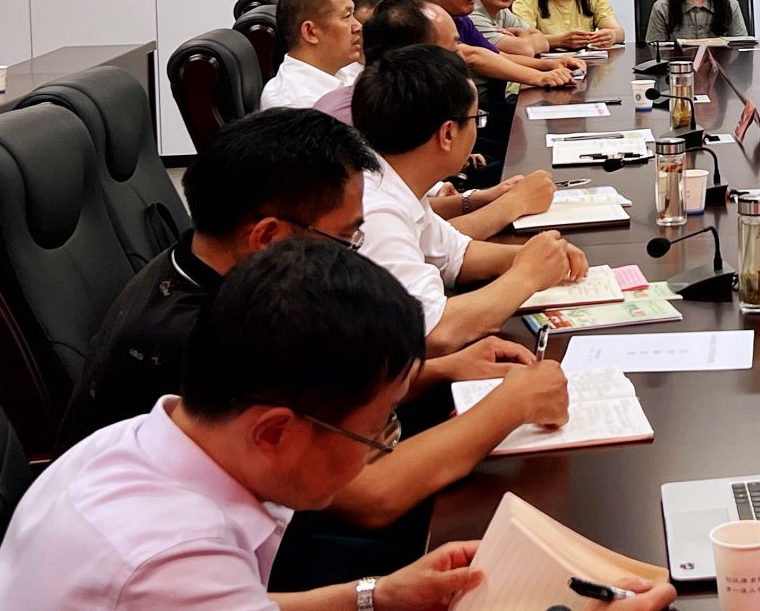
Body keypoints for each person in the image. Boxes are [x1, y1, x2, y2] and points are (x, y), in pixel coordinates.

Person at [0, 238, 677, 611]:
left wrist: (374, 595)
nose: (381, 449)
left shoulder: (136, 440)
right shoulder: (167, 559)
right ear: (275, 431)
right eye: (376, 434)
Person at [54, 110, 574, 560]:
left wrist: (441, 369)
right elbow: (373, 496)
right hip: (254, 554)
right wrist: (512, 406)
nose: (355, 252)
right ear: (269, 237)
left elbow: (325, 398)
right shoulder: (206, 340)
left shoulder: (209, 268)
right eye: (347, 238)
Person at [353, 44, 589, 356]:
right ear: (448, 134)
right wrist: (526, 276)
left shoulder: (395, 181)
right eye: (476, 119)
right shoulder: (375, 212)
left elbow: (456, 254)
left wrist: (534, 256)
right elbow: (434, 333)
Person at [313, 0, 547, 229]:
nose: (461, 59)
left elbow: (424, 222)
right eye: (451, 51)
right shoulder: (353, 124)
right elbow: (415, 237)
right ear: (414, 59)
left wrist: (478, 199)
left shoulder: (392, 101)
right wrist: (511, 204)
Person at [420, 0, 578, 88]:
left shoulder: (461, 19)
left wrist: (549, 65)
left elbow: (497, 55)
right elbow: (474, 57)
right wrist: (540, 77)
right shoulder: (424, 20)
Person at [261, 0, 364, 110]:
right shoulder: (298, 105)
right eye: (347, 16)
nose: (358, 26)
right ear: (311, 32)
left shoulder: (340, 70)